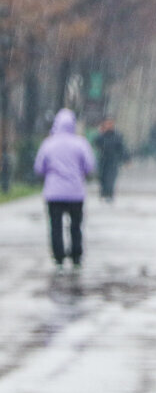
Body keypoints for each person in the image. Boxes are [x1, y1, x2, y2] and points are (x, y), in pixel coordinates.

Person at [34, 109, 95, 271]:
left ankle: (59, 257)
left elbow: (39, 167)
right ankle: (76, 256)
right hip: (75, 192)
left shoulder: (48, 143)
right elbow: (89, 166)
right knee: (75, 226)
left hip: (54, 193)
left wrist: (51, 173)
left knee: (56, 226)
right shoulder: (80, 143)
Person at [94, 118, 127, 202]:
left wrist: (126, 159)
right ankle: (103, 194)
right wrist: (101, 132)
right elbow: (96, 143)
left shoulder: (117, 136)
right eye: (107, 124)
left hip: (113, 160)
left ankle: (109, 195)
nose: (109, 126)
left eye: (110, 124)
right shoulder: (102, 135)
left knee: (111, 178)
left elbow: (121, 148)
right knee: (102, 178)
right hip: (103, 160)